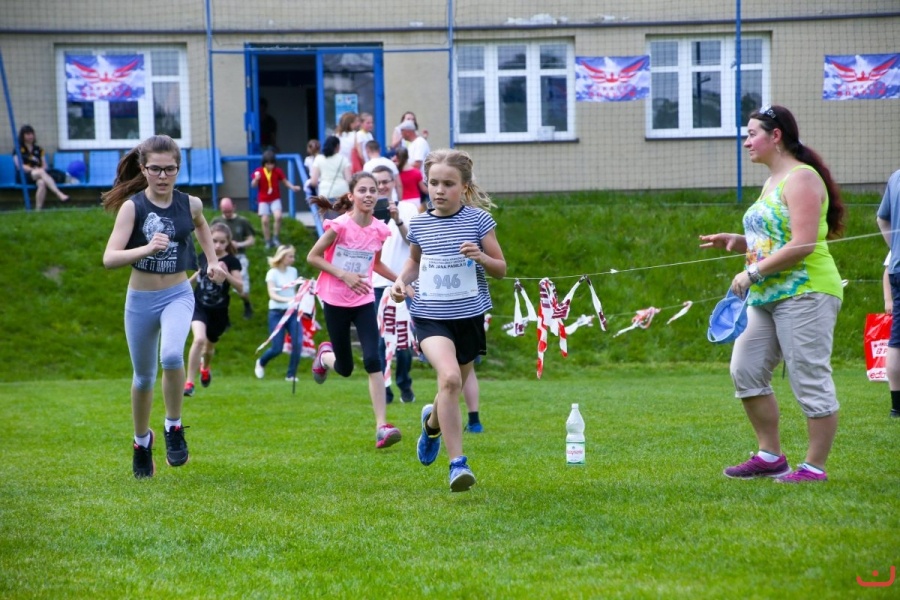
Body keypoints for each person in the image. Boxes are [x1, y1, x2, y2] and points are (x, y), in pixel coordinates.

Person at [699, 104, 845, 484]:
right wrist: (739, 241)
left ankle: (813, 467)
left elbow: (803, 244)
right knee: (744, 370)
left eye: (752, 134)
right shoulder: (771, 182)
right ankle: (770, 456)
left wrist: (752, 272)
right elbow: (775, 237)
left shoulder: (801, 178)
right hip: (766, 296)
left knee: (808, 377)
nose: (746, 142)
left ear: (775, 136)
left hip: (806, 291)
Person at [101, 134, 226, 479]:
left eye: (169, 169)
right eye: (155, 169)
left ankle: (174, 426)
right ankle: (142, 443)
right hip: (140, 300)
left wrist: (213, 261)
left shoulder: (190, 204)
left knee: (171, 356)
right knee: (143, 378)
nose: (162, 176)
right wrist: (146, 248)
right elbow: (109, 258)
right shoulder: (133, 208)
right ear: (143, 169)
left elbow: (201, 225)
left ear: (178, 169)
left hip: (177, 294)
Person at [390, 149, 507, 492]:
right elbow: (414, 263)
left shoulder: (479, 221)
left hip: (468, 318)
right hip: (430, 317)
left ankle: (431, 425)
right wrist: (401, 282)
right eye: (433, 183)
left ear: (464, 187)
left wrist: (481, 256)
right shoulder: (420, 224)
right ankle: (458, 465)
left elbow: (501, 270)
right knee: (451, 379)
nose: (439, 190)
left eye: (448, 184)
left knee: (449, 388)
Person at [307, 172, 403, 450]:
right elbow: (312, 257)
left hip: (363, 300)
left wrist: (400, 281)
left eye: (373, 190)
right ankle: (324, 356)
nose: (369, 194)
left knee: (373, 359)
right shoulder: (339, 226)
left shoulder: (379, 229)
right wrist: (343, 274)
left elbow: (376, 264)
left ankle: (381, 427)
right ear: (352, 195)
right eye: (362, 190)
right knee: (346, 368)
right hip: (334, 300)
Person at [370, 165, 418, 404]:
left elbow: (414, 244)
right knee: (380, 341)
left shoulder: (408, 208)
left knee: (404, 341)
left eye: (385, 182)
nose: (381, 187)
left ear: (393, 183)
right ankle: (385, 390)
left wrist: (397, 219)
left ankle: (404, 383)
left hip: (403, 284)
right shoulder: (366, 211)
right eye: (376, 183)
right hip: (377, 285)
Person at [184, 223, 243, 396]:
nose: (218, 245)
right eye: (215, 240)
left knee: (208, 350)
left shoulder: (232, 261)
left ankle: (205, 367)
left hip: (218, 311)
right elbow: (198, 274)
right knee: (199, 340)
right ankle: (189, 383)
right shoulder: (204, 256)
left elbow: (240, 287)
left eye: (222, 242)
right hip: (199, 306)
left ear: (228, 242)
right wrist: (184, 285)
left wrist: (226, 273)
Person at [254, 245, 303, 381]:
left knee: (298, 342)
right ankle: (261, 362)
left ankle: (291, 375)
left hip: (292, 312)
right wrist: (289, 299)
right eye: (290, 256)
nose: (293, 259)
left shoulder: (293, 271)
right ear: (282, 257)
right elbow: (272, 295)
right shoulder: (272, 273)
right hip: (277, 313)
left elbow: (294, 290)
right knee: (277, 348)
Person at [876, 169, 900, 418]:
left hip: (898, 268)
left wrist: (896, 249)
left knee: (896, 340)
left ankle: (897, 406)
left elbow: (882, 219)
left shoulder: (895, 177)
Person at [212, 197, 256, 319]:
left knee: (242, 288)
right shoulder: (217, 222)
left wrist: (239, 244)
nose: (227, 213)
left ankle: (247, 304)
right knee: (217, 288)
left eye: (229, 211)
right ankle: (222, 315)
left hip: (239, 257)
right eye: (224, 211)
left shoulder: (242, 221)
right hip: (220, 257)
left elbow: (251, 240)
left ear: (234, 207)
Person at [251, 149, 302, 250]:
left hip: (275, 198)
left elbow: (285, 181)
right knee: (265, 220)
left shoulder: (277, 171)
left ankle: (275, 238)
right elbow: (253, 185)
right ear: (264, 163)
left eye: (272, 164)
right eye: (268, 164)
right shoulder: (259, 172)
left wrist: (292, 187)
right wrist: (256, 179)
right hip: (263, 200)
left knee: (278, 217)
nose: (270, 166)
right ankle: (267, 241)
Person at [12, 124, 69, 210]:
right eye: (27, 134)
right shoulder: (17, 149)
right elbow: (19, 166)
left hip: (39, 175)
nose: (30, 136)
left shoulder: (39, 149)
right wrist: (34, 170)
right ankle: (59, 194)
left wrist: (40, 170)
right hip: (24, 176)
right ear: (22, 136)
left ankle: (38, 210)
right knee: (40, 172)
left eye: (32, 134)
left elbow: (45, 165)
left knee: (42, 183)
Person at [307, 135, 352, 201]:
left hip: (325, 193)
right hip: (342, 193)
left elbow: (314, 182)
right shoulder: (343, 159)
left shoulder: (318, 159)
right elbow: (349, 180)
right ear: (337, 146)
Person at [395, 147, 427, 212]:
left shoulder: (397, 173)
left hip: (402, 201)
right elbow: (424, 189)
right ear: (408, 156)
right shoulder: (416, 172)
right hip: (415, 200)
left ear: (397, 158)